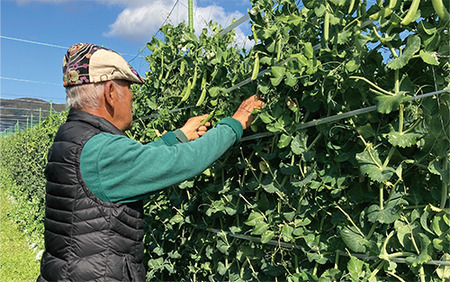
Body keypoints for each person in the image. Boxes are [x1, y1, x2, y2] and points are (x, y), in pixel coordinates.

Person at [37, 43, 264, 281]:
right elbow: (185, 162)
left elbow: (133, 163)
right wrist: (236, 122)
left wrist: (178, 137)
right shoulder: (101, 150)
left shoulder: (73, 137)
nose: (132, 98)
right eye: (129, 89)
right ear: (111, 92)